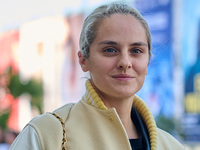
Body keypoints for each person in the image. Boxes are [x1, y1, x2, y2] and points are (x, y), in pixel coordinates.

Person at [10, 2, 185, 150]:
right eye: (110, 50)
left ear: (147, 62)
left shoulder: (171, 146)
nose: (125, 62)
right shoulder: (47, 135)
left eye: (136, 51)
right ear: (83, 60)